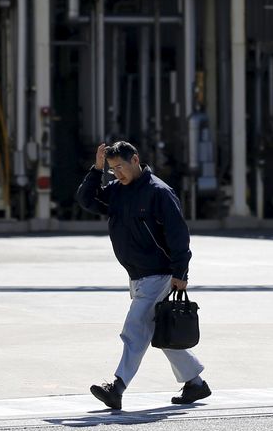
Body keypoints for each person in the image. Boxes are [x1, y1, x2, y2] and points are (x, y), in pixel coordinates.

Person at [75, 140, 211, 410]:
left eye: (121, 167)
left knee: (135, 330)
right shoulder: (116, 190)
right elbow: (86, 200)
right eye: (113, 169)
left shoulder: (159, 192)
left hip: (158, 275)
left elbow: (178, 234)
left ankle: (117, 387)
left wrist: (181, 272)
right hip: (137, 276)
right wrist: (96, 169)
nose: (118, 174)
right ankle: (195, 384)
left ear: (135, 160)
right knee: (161, 332)